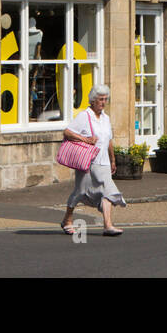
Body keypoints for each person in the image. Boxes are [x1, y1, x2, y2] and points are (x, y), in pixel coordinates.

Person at [61, 84, 125, 236]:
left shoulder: (105, 118)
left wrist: (113, 160)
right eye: (100, 99)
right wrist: (85, 139)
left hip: (103, 163)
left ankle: (108, 225)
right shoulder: (85, 116)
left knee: (108, 191)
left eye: (105, 99)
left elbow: (109, 139)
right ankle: (67, 219)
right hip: (88, 162)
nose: (103, 102)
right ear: (93, 100)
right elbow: (67, 132)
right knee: (80, 191)